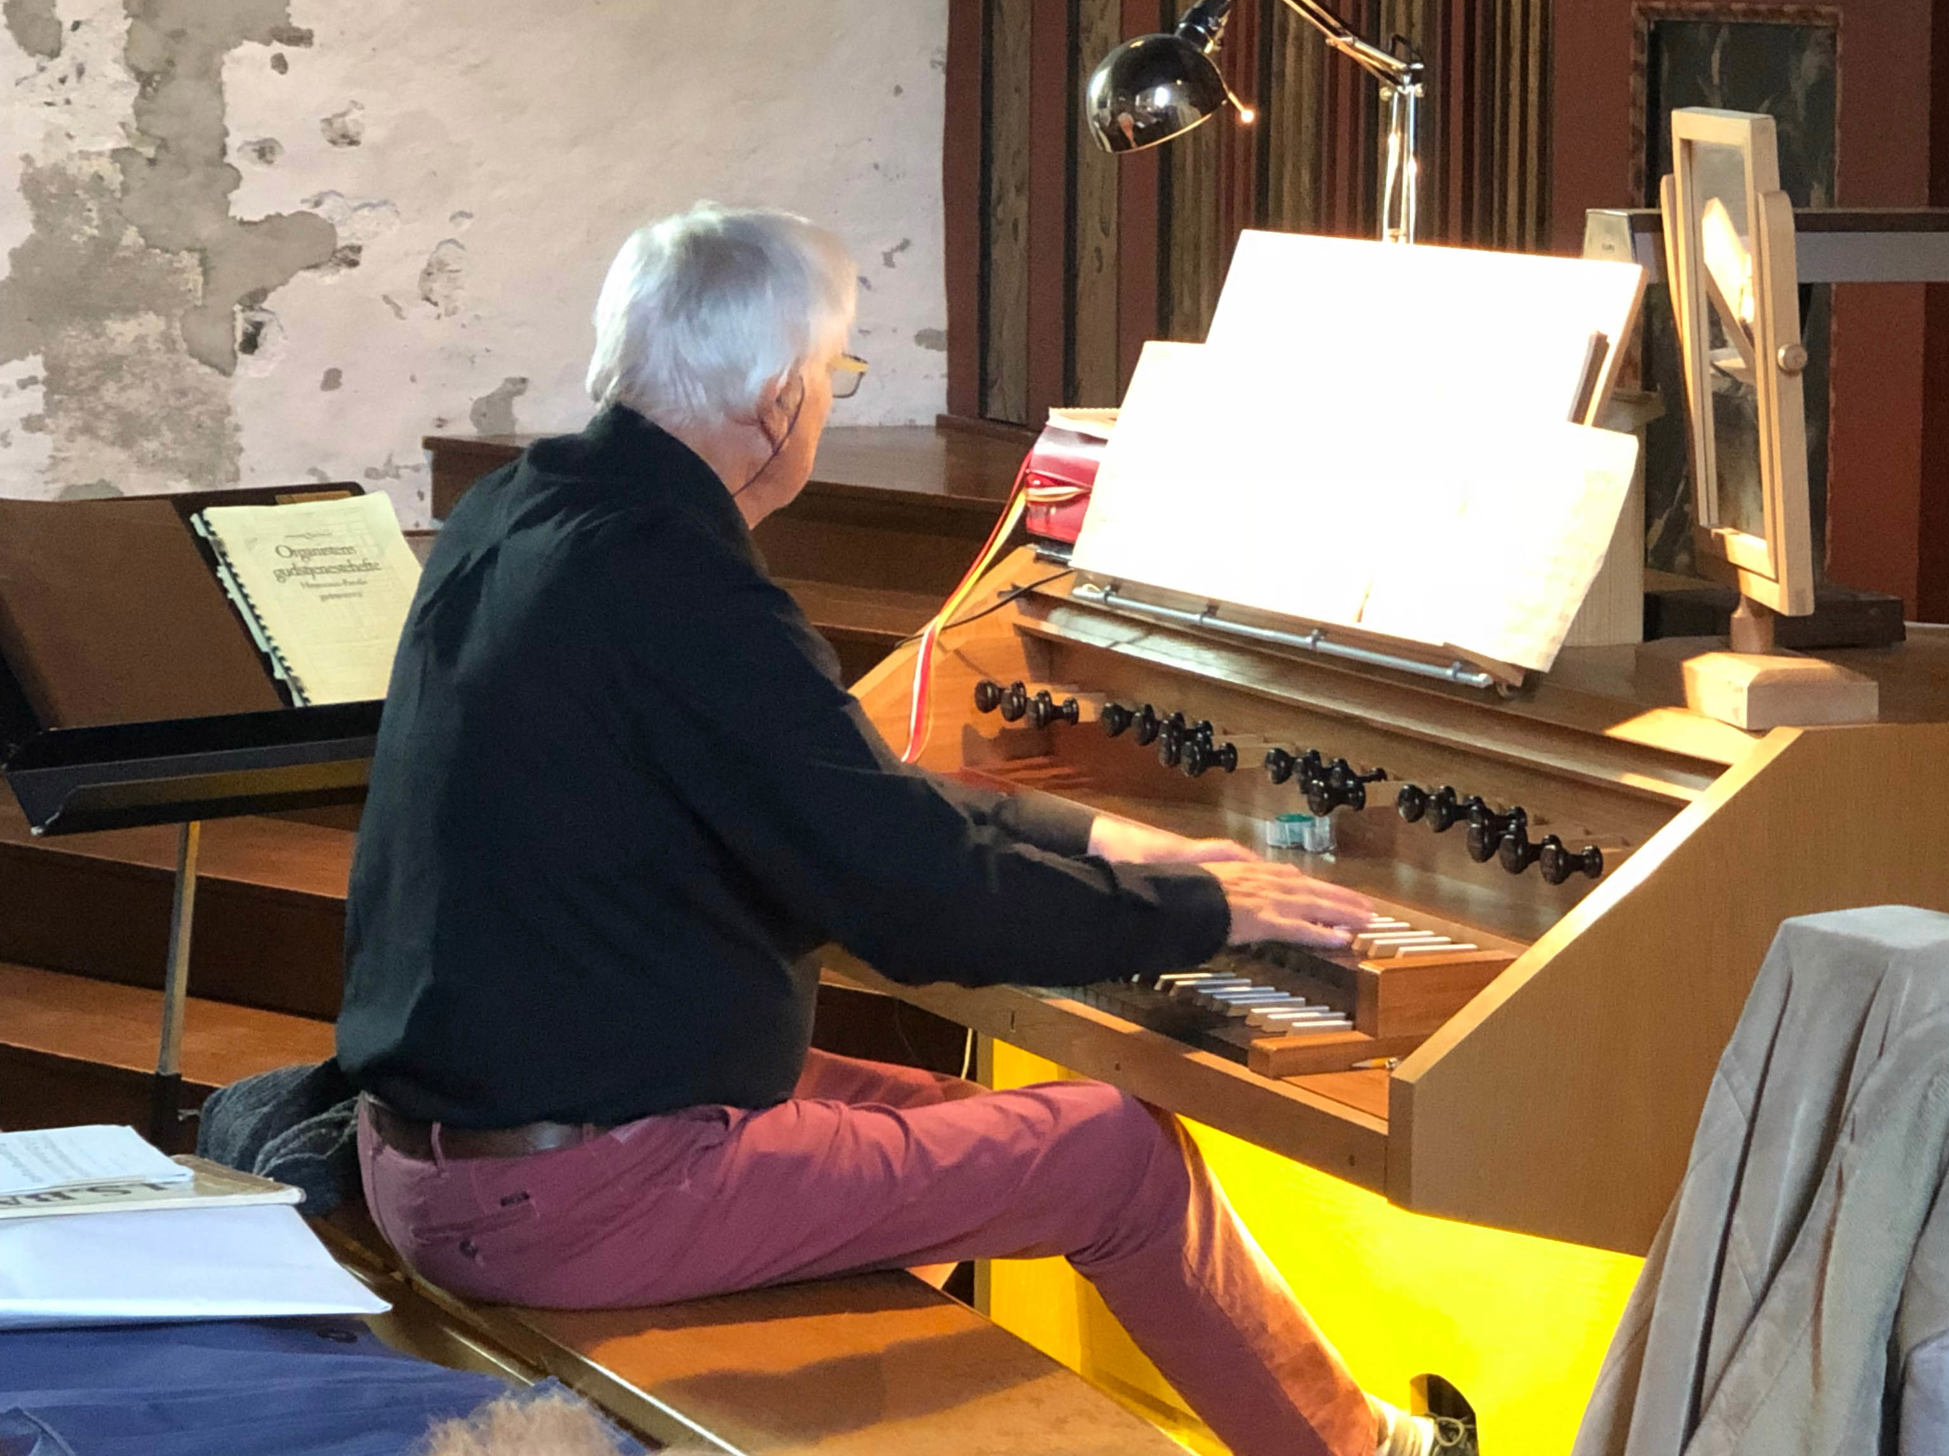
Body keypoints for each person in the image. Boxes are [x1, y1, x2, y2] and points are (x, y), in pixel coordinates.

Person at [336, 205, 1469, 1456]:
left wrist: (1099, 843)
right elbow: (911, 898)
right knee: (1117, 1154)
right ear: (779, 398)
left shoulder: (522, 509)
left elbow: (846, 797)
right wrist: (1205, 911)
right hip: (570, 1193)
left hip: (456, 1145)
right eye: (838, 372)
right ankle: (1368, 1452)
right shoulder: (679, 584)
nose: (827, 400)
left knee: (941, 1117)